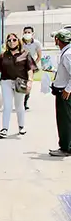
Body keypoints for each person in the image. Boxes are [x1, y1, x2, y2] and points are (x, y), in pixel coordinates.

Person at [0, 32, 36, 138]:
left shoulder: (25, 54)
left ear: (18, 41)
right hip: (6, 81)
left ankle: (21, 126)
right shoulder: (3, 55)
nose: (12, 42)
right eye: (9, 40)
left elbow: (30, 69)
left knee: (19, 105)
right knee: (7, 105)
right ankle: (4, 128)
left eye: (14, 40)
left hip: (20, 82)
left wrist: (30, 81)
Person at [50, 28, 71, 157]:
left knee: (65, 120)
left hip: (65, 92)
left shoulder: (68, 54)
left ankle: (66, 147)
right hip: (63, 89)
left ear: (59, 40)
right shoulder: (66, 53)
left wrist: (68, 89)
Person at [22, 26, 43, 111]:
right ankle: (19, 101)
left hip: (30, 67)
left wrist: (33, 65)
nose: (27, 34)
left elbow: (39, 56)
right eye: (25, 32)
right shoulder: (20, 42)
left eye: (29, 32)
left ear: (32, 34)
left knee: (28, 84)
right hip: (20, 66)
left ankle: (25, 102)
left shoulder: (36, 43)